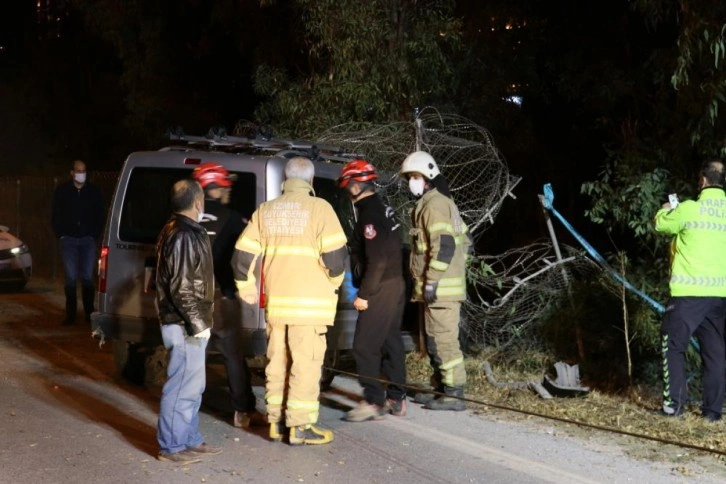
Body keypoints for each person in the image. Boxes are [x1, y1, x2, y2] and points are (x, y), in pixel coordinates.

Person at [232, 156, 347, 445]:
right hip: (309, 309)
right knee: (305, 364)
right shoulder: (321, 209)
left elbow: (241, 256)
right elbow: (335, 259)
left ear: (285, 181)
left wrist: (245, 287)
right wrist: (333, 281)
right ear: (310, 181)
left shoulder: (266, 211)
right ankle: (300, 426)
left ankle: (276, 422)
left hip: (277, 307)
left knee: (277, 362)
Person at [192, 162, 263, 429]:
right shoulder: (233, 219)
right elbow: (243, 257)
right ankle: (242, 412)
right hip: (222, 296)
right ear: (217, 188)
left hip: (190, 298)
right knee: (232, 354)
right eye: (225, 186)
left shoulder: (185, 217)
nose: (228, 191)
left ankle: (188, 407)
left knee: (192, 352)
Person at [155, 179, 222, 463]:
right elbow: (181, 289)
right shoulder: (182, 234)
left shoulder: (184, 230)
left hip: (188, 322)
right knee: (181, 386)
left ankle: (188, 439)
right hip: (184, 324)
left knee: (193, 386)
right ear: (198, 202)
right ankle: (171, 446)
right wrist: (199, 324)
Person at [399, 151, 471, 411]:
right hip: (436, 290)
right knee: (433, 340)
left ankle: (454, 393)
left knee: (443, 340)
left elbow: (445, 245)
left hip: (441, 290)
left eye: (416, 177)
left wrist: (431, 282)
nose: (411, 182)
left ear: (428, 177)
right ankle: (441, 387)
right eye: (409, 178)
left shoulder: (435, 205)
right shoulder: (429, 204)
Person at [336, 159, 408, 422]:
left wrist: (364, 294)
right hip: (395, 283)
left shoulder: (369, 214)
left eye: (347, 187)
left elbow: (376, 259)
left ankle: (374, 401)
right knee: (391, 340)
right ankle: (397, 398)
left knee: (364, 346)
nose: (346, 192)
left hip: (379, 287)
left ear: (355, 188)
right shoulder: (383, 207)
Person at [655, 159, 726, 422]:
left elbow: (662, 226)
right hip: (719, 295)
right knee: (715, 352)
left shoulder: (688, 209)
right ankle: (713, 413)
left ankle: (674, 407)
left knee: (672, 346)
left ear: (703, 181)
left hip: (688, 294)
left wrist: (664, 210)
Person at [51, 159, 105, 325]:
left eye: (84, 171)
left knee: (88, 277)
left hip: (87, 239)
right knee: (70, 278)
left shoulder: (93, 192)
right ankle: (71, 314)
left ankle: (89, 311)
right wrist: (61, 234)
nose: (82, 174)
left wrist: (94, 233)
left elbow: (100, 214)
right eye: (78, 171)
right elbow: (55, 215)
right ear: (72, 172)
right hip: (68, 240)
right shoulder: (62, 191)